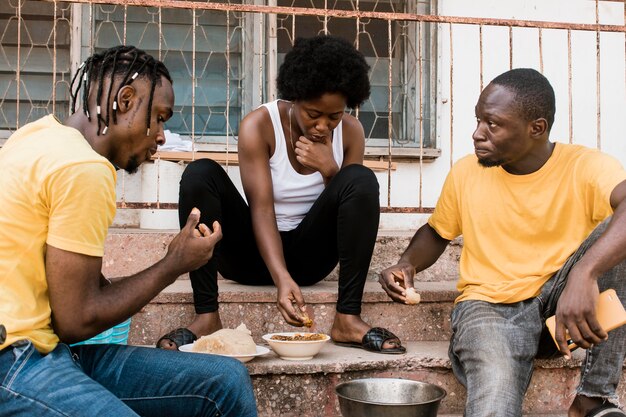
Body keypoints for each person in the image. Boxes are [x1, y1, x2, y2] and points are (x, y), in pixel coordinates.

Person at [0, 45, 257, 417]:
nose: (163, 135)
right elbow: (77, 318)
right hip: (15, 361)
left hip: (45, 348)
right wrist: (173, 265)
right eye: (159, 117)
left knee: (224, 380)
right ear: (125, 100)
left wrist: (174, 260)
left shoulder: (38, 135)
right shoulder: (84, 169)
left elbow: (81, 287)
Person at [380, 68, 626, 417]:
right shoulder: (467, 172)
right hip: (489, 309)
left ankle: (594, 398)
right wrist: (407, 263)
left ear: (536, 128)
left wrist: (584, 274)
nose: (477, 134)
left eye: (492, 124)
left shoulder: (585, 166)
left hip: (562, 308)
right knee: (494, 400)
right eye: (478, 120)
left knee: (617, 233)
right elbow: (437, 232)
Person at [157, 35, 405, 355]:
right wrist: (281, 278)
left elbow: (349, 205)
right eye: (314, 113)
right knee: (200, 173)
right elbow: (261, 209)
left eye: (334, 116)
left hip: (311, 257)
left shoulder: (351, 132)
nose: (322, 126)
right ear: (295, 98)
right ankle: (206, 316)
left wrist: (330, 171)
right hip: (250, 255)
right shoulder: (259, 125)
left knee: (360, 179)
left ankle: (347, 318)